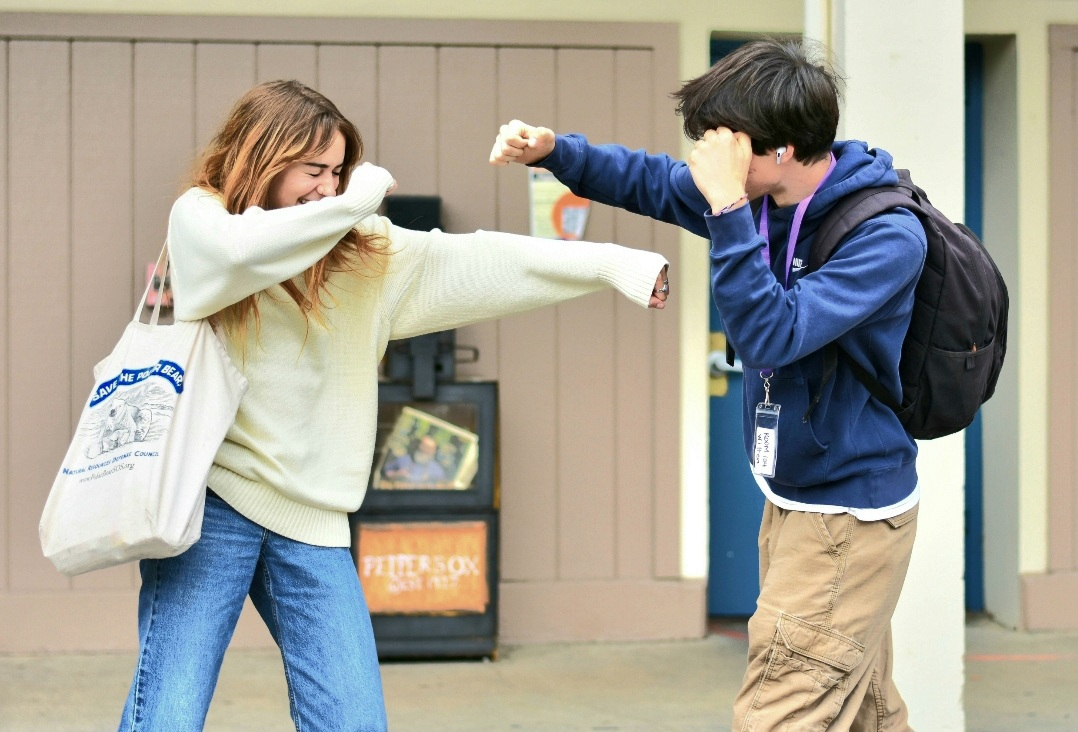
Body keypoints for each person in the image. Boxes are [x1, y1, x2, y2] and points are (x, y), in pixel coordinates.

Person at [119, 79, 670, 732]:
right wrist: (357, 195)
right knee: (168, 718)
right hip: (210, 507)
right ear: (260, 159)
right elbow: (244, 255)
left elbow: (480, 259)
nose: (328, 188)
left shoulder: (364, 253)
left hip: (313, 520)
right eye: (311, 171)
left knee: (355, 722)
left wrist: (615, 264)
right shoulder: (202, 219)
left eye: (337, 172)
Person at [489, 38, 925, 732]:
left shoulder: (885, 238)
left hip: (846, 518)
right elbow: (651, 180)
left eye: (723, 144)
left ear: (779, 151)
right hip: (793, 498)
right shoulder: (760, 197)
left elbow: (771, 335)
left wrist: (725, 211)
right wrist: (553, 152)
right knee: (866, 711)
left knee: (779, 711)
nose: (705, 160)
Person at [381, 434, 448, 485]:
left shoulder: (437, 470)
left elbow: (441, 488)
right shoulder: (404, 459)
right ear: (419, 446)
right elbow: (385, 473)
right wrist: (396, 474)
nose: (425, 450)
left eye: (429, 448)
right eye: (423, 446)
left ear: (434, 451)